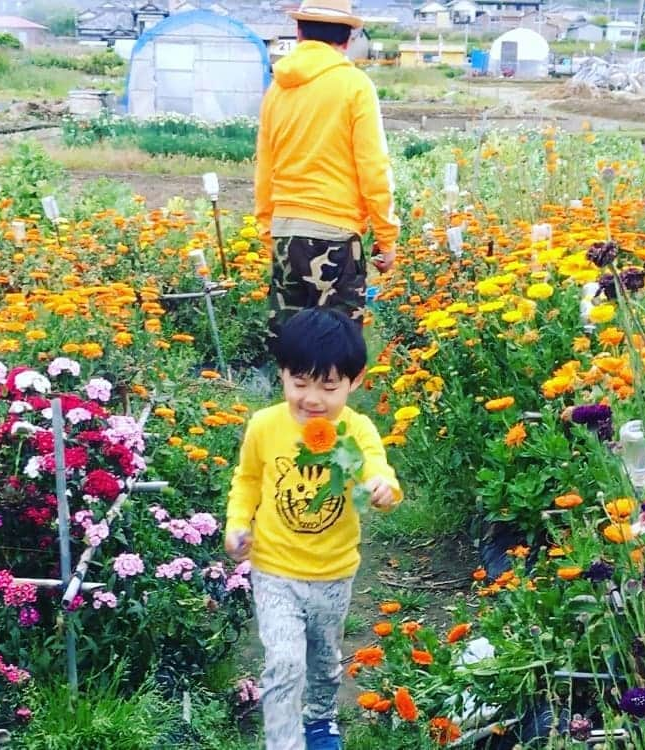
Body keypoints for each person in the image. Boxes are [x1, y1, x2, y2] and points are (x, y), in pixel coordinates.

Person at [224, 308, 402, 750]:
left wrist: (382, 488)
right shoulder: (265, 426)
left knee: (322, 662)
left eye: (328, 386)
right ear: (282, 374)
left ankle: (320, 719)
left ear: (354, 381)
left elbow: (379, 470)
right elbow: (246, 480)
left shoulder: (356, 430)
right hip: (274, 569)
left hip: (334, 571)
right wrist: (236, 525)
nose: (313, 399)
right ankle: (283, 740)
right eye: (300, 383)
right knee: (285, 661)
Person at [254, 0, 400, 343]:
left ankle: (291, 399)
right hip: (335, 232)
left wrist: (268, 233)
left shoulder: (277, 89)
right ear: (348, 39)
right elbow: (373, 166)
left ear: (299, 32)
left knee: (291, 349)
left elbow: (265, 167)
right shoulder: (354, 85)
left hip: (285, 231)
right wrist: (386, 238)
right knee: (337, 349)